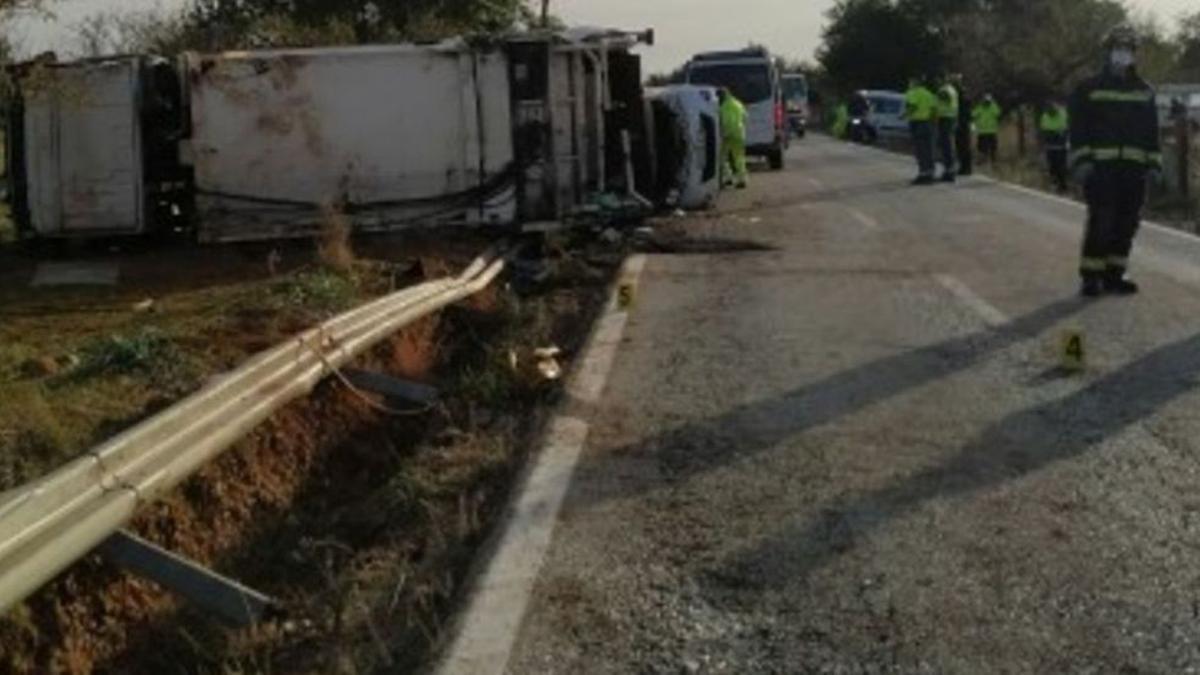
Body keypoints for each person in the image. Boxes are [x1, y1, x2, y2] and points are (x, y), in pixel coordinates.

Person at [1069, 25, 1162, 297]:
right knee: (1102, 221)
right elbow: (1078, 128)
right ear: (1107, 52)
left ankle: (1115, 274)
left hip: (1134, 171)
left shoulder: (1144, 90)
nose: (1122, 54)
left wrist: (1155, 163)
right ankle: (1091, 277)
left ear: (1134, 54)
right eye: (1117, 49)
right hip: (1101, 169)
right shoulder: (1088, 89)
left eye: (1128, 49)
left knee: (1127, 223)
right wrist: (1082, 161)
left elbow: (1151, 131)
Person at [904, 76, 938, 185]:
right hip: (928, 123)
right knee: (929, 149)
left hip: (917, 123)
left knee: (920, 150)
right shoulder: (929, 94)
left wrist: (904, 115)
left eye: (910, 81)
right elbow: (934, 110)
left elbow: (912, 106)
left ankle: (923, 174)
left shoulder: (912, 92)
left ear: (915, 82)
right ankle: (930, 173)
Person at [719, 88, 749, 189]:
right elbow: (745, 117)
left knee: (722, 157)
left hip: (726, 135)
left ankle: (728, 178)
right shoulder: (738, 103)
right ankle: (742, 180)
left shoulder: (722, 106)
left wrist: (724, 132)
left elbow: (723, 121)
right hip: (739, 134)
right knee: (739, 157)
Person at [1039, 100, 1070, 192]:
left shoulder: (1063, 114)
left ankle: (1063, 185)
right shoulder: (1045, 116)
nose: (1051, 113)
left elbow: (1066, 129)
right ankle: (1056, 183)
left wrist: (1058, 133)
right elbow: (1044, 130)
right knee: (1052, 167)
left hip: (1061, 146)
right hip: (1050, 146)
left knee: (1061, 167)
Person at [935, 74, 959, 182]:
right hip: (951, 118)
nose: (937, 81)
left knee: (946, 146)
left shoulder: (944, 90)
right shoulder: (952, 90)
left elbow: (941, 103)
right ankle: (950, 170)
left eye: (938, 79)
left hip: (945, 119)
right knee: (949, 145)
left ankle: (949, 171)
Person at [954, 75, 974, 176]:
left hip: (963, 122)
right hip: (963, 122)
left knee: (964, 145)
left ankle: (966, 168)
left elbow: (963, 109)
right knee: (961, 145)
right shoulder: (962, 92)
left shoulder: (961, 93)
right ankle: (964, 167)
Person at [973, 94, 1002, 165]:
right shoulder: (980, 107)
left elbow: (998, 114)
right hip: (982, 131)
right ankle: (983, 161)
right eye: (985, 101)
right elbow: (973, 114)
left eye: (988, 101)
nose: (987, 102)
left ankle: (993, 161)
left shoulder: (994, 106)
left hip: (991, 131)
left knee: (993, 148)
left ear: (991, 101)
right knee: (982, 148)